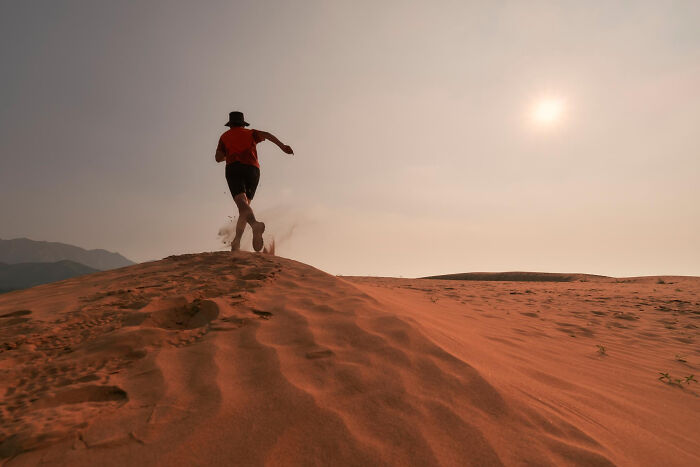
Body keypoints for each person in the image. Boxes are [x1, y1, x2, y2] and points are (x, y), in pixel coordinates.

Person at [215, 111, 293, 251]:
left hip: (234, 168)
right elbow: (267, 135)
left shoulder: (224, 137)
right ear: (243, 124)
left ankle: (255, 226)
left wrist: (229, 154)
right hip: (253, 170)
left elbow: (218, 158)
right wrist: (282, 146)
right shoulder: (250, 133)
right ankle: (236, 242)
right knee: (245, 208)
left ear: (230, 124)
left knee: (241, 203)